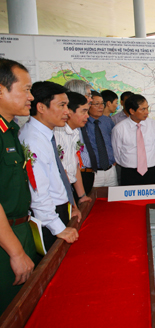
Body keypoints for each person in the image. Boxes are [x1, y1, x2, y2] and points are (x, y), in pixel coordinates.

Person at [19, 81, 80, 252]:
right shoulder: (32, 140)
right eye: (62, 105)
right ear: (41, 107)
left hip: (58, 210)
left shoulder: (46, 134)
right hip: (47, 217)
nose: (67, 112)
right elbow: (37, 191)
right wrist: (58, 227)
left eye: (67, 106)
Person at [0, 59, 37, 315]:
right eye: (25, 89)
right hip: (5, 241)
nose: (31, 97)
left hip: (21, 230)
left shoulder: (11, 130)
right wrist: (15, 252)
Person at [54, 92, 92, 204]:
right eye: (83, 111)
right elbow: (62, 172)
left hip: (69, 190)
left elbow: (74, 164)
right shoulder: (56, 133)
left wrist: (82, 196)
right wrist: (73, 205)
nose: (87, 116)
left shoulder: (75, 131)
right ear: (69, 112)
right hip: (59, 194)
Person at [112, 94, 155, 185]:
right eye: (143, 109)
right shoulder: (119, 128)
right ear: (132, 111)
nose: (147, 112)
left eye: (147, 108)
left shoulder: (153, 125)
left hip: (150, 171)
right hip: (129, 173)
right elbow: (117, 153)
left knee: (151, 199)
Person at [81, 90, 118, 187]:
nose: (101, 107)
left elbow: (114, 141)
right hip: (93, 172)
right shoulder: (82, 123)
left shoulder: (107, 121)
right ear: (88, 105)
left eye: (102, 103)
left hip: (110, 171)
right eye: (96, 104)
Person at [64, 80, 94, 194]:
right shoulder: (59, 130)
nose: (91, 99)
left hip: (83, 175)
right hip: (69, 181)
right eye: (88, 95)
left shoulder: (77, 128)